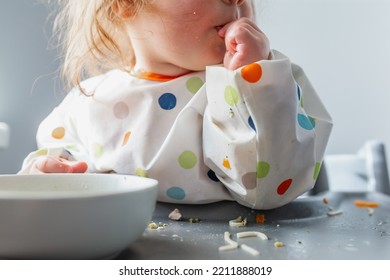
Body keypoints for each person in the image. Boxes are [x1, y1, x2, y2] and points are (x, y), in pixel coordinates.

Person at [19, 0, 333, 209]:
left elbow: (270, 188)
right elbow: (55, 161)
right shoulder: (88, 101)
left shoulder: (253, 85)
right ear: (126, 4)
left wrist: (253, 80)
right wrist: (46, 175)